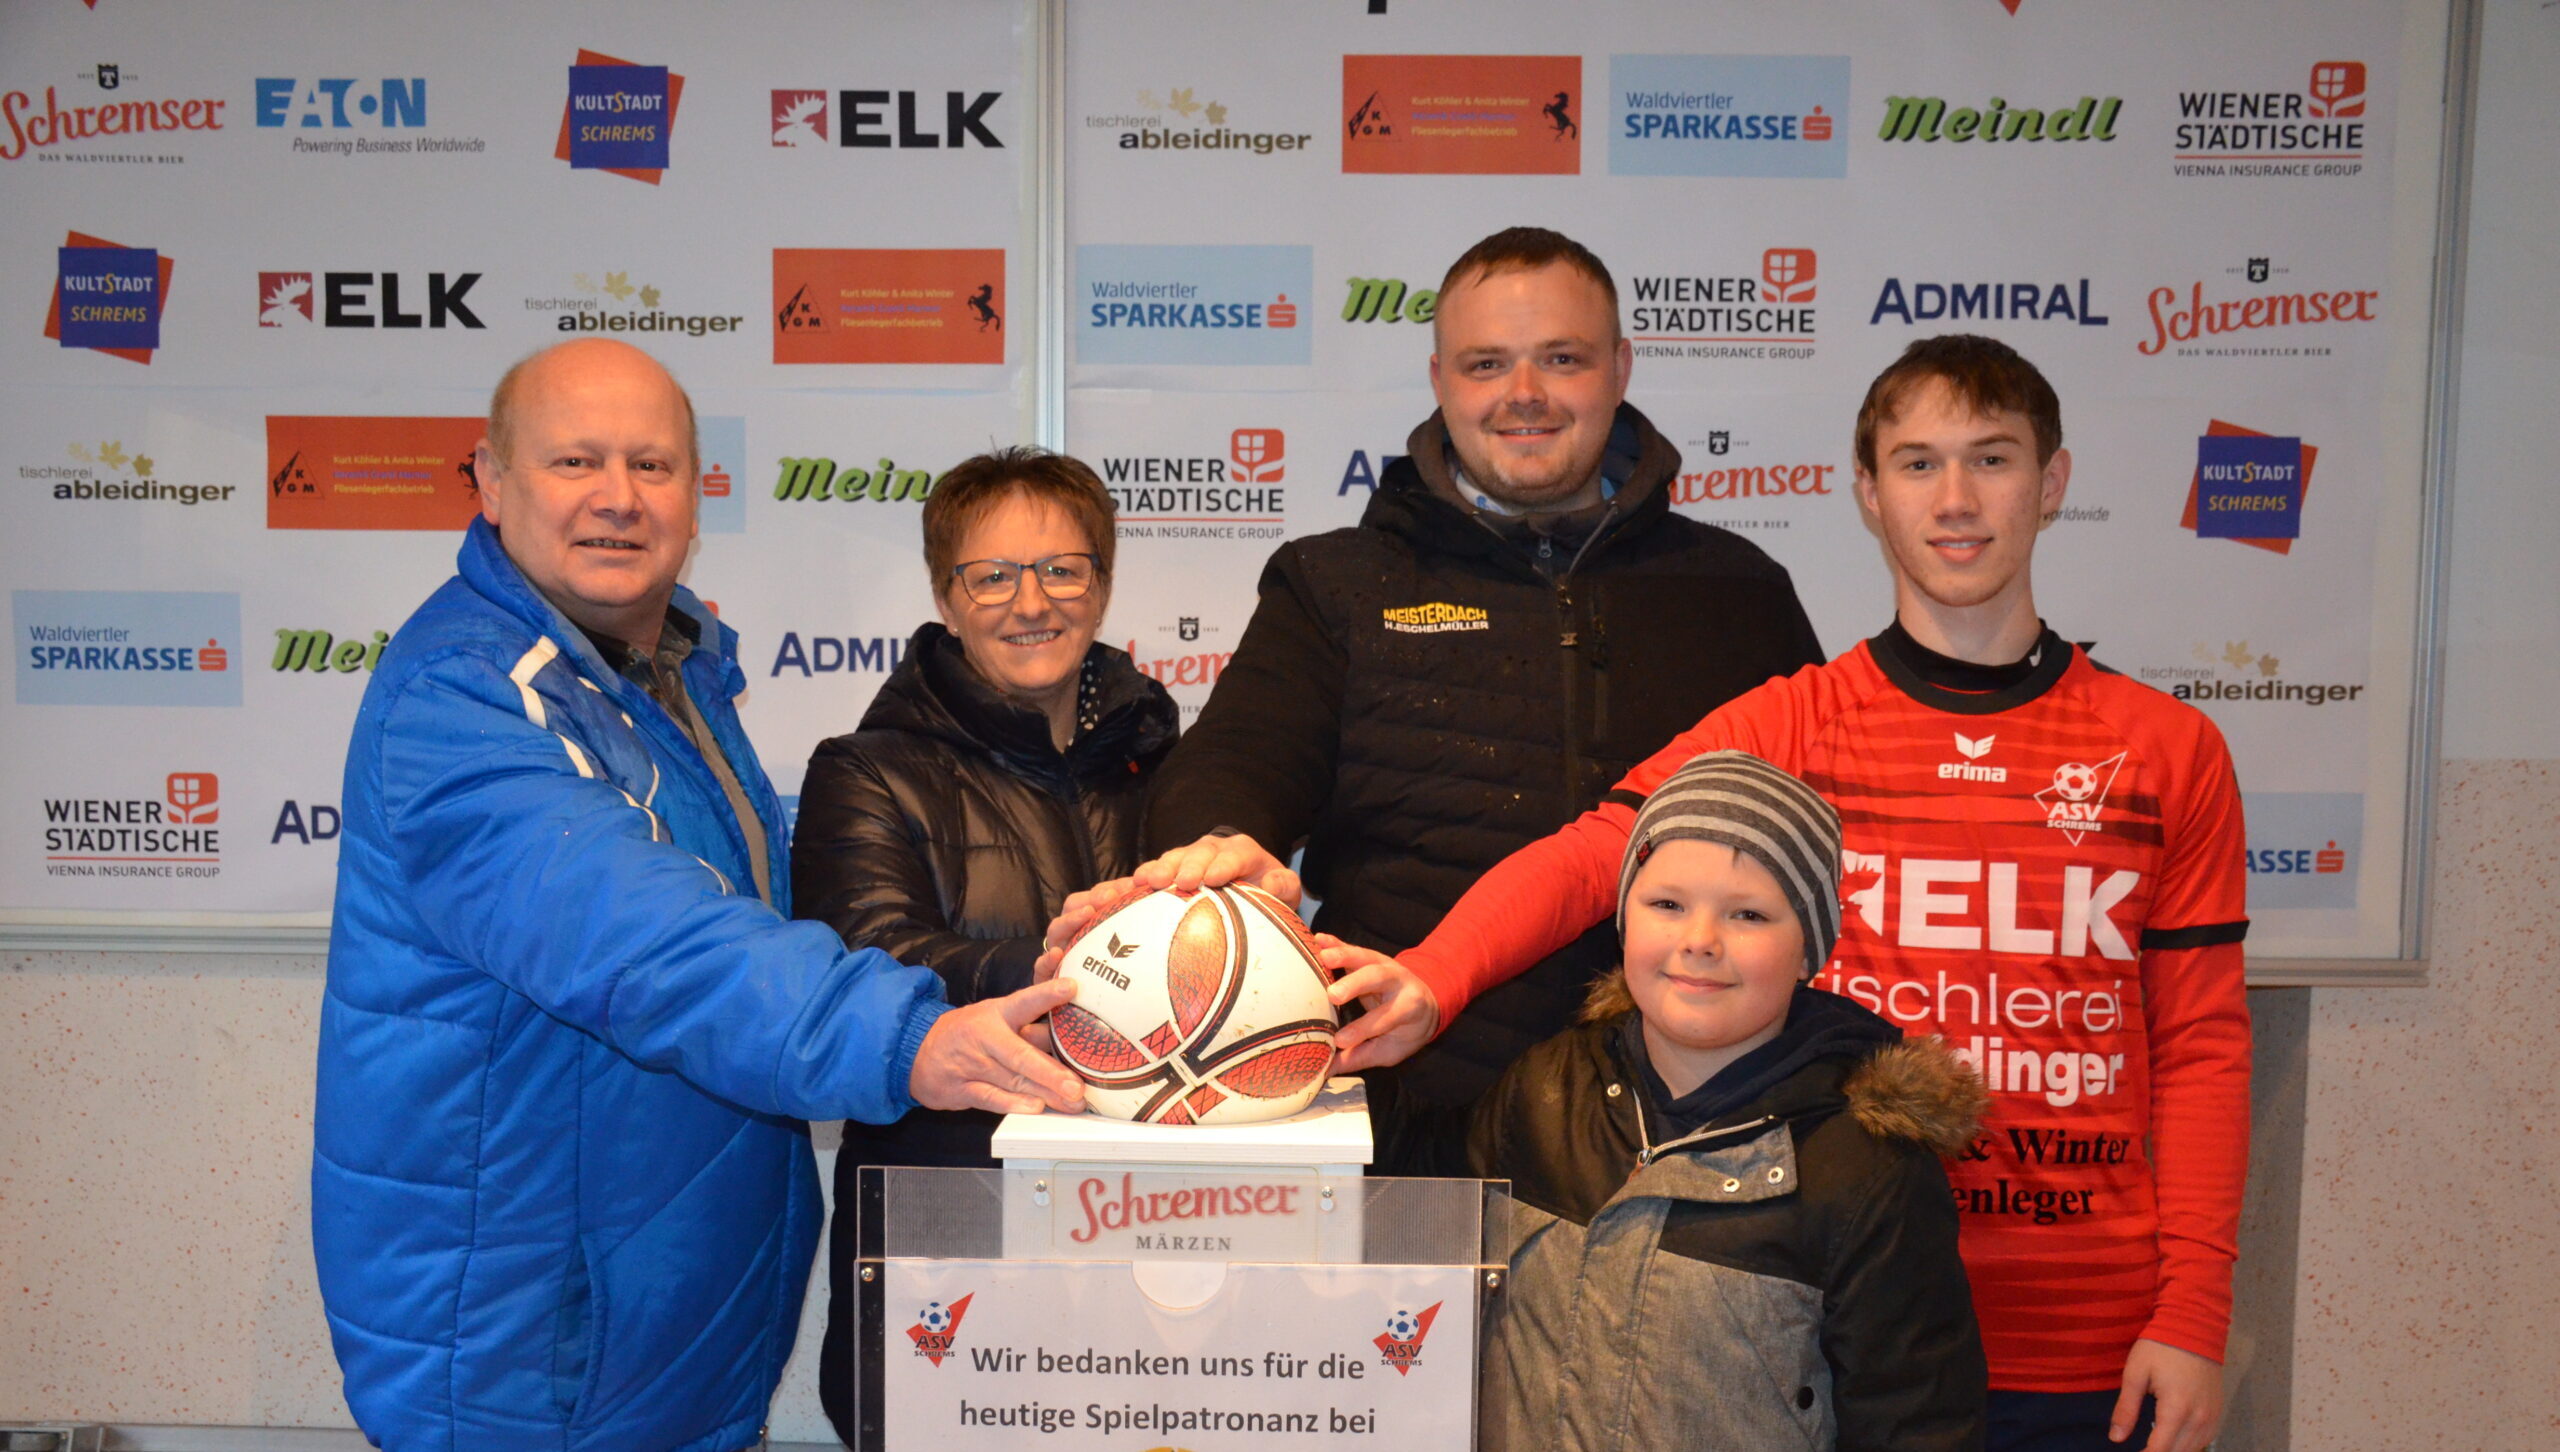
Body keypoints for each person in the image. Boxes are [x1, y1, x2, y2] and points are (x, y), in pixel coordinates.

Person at [1359, 335, 2250, 1452]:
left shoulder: (2169, 750)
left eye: (1992, 458)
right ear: (1869, 492)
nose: (1957, 499)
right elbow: (1595, 858)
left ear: (2052, 481)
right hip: (1833, 1326)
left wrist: (2193, 1310)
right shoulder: (1790, 722)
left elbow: (2201, 1047)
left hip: (2088, 1341)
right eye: (1918, 463)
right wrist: (1431, 982)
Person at [310, 339, 1086, 1452]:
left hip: (659, 1314)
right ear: (490, 480)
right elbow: (648, 938)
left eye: (652, 465)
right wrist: (906, 1036)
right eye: (575, 462)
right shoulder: (468, 696)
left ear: (694, 493)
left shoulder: (661, 676)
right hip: (537, 1337)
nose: (617, 497)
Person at [1078, 225, 1825, 1106]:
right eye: (1486, 365)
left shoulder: (1738, 591)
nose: (1524, 393)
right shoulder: (1338, 582)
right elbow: (1240, 758)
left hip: (1691, 1104)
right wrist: (1222, 839)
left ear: (1620, 368)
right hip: (1410, 1094)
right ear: (1440, 380)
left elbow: (1822, 841)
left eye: (1562, 359)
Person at [1371, 750, 1987, 1451]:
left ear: (1809, 951)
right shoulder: (1548, 1087)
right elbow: (1413, 1182)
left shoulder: (1869, 1173)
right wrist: (1335, 1034)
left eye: (1748, 914)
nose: (1699, 941)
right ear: (1624, 919)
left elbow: (1921, 1425)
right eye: (1667, 904)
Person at [789, 446, 1178, 1442]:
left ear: (1102, 585)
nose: (1030, 602)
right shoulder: (864, 771)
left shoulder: (1168, 766)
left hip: (1154, 1222)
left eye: (1061, 570)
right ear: (946, 598)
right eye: (992, 575)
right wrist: (1058, 976)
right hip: (949, 1220)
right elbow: (868, 959)